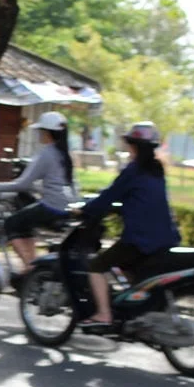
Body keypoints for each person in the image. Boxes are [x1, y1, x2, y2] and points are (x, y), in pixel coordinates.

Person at [79, 121, 181, 329]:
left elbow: (108, 196)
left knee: (97, 266)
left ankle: (103, 314)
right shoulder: (156, 170)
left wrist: (84, 209)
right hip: (166, 237)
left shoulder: (134, 170)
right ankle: (136, 311)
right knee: (128, 267)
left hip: (140, 240)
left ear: (133, 146)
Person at [0, 111, 77, 280]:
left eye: (41, 131)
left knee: (11, 223)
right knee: (25, 223)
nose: (39, 135)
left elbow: (22, 184)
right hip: (68, 206)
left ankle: (31, 268)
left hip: (52, 207)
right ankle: (32, 264)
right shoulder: (65, 154)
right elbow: (62, 185)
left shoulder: (47, 153)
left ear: (47, 133)